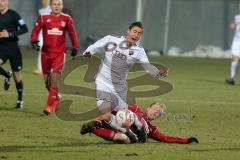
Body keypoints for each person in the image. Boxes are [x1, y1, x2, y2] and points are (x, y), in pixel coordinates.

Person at [82, 21, 168, 139]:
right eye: (135, 31)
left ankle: (138, 125)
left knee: (124, 114)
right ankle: (126, 132)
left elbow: (147, 67)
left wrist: (158, 72)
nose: (136, 35)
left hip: (119, 88)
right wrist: (88, 51)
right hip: (102, 83)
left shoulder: (139, 51)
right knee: (106, 116)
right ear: (128, 31)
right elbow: (95, 46)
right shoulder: (111, 40)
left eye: (139, 34)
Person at [31, 0, 79, 115]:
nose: (57, 6)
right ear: (51, 6)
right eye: (54, 4)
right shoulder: (43, 17)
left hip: (59, 54)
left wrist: (75, 47)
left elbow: (72, 33)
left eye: (59, 4)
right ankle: (56, 98)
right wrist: (33, 41)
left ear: (62, 6)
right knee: (47, 83)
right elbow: (35, 31)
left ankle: (48, 106)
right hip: (45, 54)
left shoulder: (66, 19)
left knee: (53, 80)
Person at [80, 102, 199, 144]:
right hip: (116, 125)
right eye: (155, 109)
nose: (155, 113)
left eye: (158, 113)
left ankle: (94, 128)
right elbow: (117, 111)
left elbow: (166, 138)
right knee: (117, 119)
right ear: (148, 108)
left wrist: (186, 140)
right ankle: (98, 124)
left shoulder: (151, 129)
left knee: (123, 137)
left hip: (129, 136)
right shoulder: (135, 109)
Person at [0, 0, 28, 108]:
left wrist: (10, 34)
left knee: (18, 77)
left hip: (13, 49)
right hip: (1, 48)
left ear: (7, 2)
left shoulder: (14, 14)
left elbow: (25, 29)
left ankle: (20, 99)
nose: (1, 3)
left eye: (3, 1)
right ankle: (7, 75)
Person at [33, 0, 52, 76]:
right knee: (41, 49)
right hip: (42, 33)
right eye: (43, 0)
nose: (45, 2)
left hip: (50, 33)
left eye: (46, 0)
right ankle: (40, 69)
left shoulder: (52, 9)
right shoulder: (40, 11)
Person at [226, 13, 240, 85]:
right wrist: (233, 25)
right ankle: (232, 79)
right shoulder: (237, 17)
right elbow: (235, 25)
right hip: (237, 41)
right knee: (234, 59)